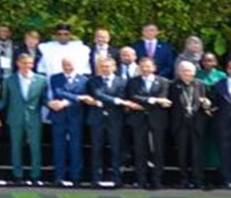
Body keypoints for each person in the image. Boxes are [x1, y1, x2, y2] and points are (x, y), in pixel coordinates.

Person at [0, 53, 48, 185]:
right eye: (24, 63)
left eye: (29, 63)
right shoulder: (9, 80)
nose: (27, 66)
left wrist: (52, 104)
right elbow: (4, 100)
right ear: (18, 63)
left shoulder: (41, 80)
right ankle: (17, 175)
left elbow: (44, 99)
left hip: (34, 118)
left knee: (35, 148)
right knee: (16, 147)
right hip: (15, 118)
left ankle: (35, 176)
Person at [125, 57, 171, 189]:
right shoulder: (133, 81)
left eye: (148, 66)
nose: (145, 69)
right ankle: (141, 179)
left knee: (158, 150)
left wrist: (153, 101)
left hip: (158, 119)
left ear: (154, 68)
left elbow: (163, 98)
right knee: (140, 151)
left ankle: (157, 180)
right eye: (142, 67)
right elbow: (133, 96)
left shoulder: (163, 81)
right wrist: (153, 100)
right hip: (138, 120)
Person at [84, 57, 128, 187]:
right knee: (96, 149)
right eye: (102, 66)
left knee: (116, 149)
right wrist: (116, 101)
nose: (105, 69)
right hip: (97, 119)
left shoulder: (122, 81)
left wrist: (116, 101)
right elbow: (97, 94)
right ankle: (96, 178)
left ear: (114, 67)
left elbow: (122, 96)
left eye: (108, 66)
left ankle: (117, 178)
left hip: (115, 119)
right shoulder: (93, 81)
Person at [48, 57, 89, 186]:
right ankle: (59, 176)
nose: (67, 67)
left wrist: (66, 102)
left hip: (75, 117)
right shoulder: (55, 78)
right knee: (58, 147)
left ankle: (76, 176)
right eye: (64, 65)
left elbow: (85, 98)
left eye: (69, 65)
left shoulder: (84, 80)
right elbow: (58, 92)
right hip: (59, 116)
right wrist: (78, 97)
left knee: (75, 147)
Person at [169, 61, 210, 189]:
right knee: (182, 153)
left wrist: (206, 103)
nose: (187, 73)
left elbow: (208, 103)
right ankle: (184, 179)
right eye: (184, 71)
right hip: (180, 123)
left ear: (194, 72)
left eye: (190, 71)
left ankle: (198, 180)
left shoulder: (200, 84)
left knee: (197, 153)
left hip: (196, 123)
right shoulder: (173, 85)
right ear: (179, 72)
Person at [211, 60, 231, 188]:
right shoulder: (218, 85)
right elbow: (214, 104)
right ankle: (227, 179)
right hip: (223, 124)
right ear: (227, 70)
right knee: (224, 151)